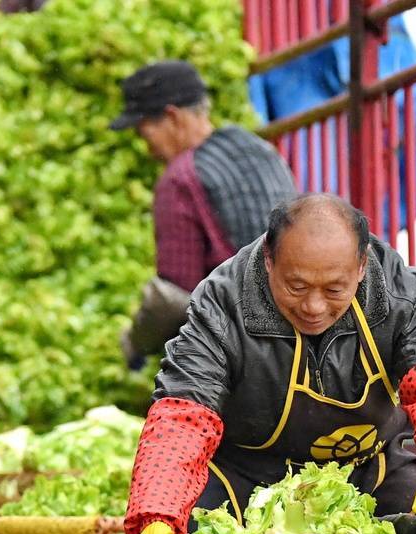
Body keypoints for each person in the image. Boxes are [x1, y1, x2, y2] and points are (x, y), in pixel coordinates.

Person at [126, 192, 416, 534]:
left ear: (362, 268)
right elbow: (183, 412)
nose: (313, 306)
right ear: (268, 260)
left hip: (369, 462)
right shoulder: (222, 302)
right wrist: (156, 518)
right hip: (246, 472)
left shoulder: (399, 292)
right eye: (296, 286)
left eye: (334, 290)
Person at [111, 60, 296, 370]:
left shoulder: (180, 179)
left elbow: (173, 297)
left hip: (245, 358)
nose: (148, 149)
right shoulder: (262, 151)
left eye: (146, 134)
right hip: (305, 335)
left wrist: (135, 344)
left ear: (172, 117)